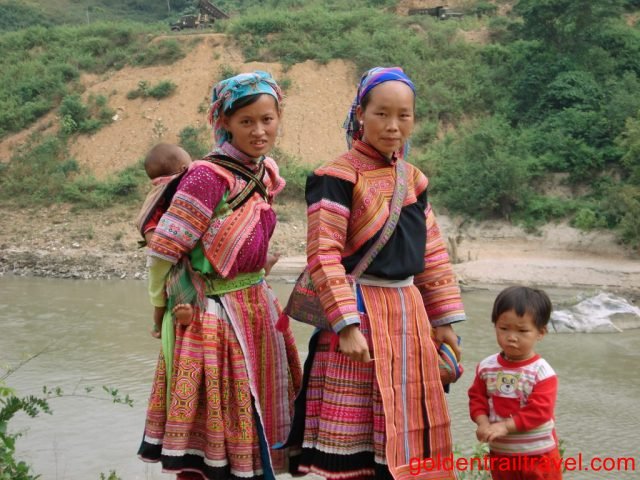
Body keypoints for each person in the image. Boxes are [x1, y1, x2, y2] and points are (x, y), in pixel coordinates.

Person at [285, 67, 466, 480]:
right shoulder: (335, 177)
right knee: (356, 444)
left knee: (407, 432)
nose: (393, 125)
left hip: (409, 317)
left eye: (404, 115)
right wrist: (346, 326)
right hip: (360, 316)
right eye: (381, 114)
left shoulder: (414, 179)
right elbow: (324, 255)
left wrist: (444, 322)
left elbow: (432, 253)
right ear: (360, 114)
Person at [137, 71, 303, 480]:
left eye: (267, 119)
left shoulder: (265, 172)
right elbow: (164, 250)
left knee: (261, 416)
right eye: (246, 121)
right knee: (223, 423)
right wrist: (159, 305)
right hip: (214, 316)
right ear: (224, 121)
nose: (259, 131)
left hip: (258, 307)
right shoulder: (206, 176)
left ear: (279, 117)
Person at [468, 286, 562, 480]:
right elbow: (477, 398)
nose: (511, 337)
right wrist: (482, 422)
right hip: (502, 456)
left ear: (541, 332)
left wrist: (505, 427)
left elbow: (540, 410)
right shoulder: (486, 367)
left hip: (538, 456)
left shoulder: (542, 372)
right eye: (504, 328)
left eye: (522, 330)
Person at [135, 143, 194, 336]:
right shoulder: (161, 194)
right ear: (182, 168)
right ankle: (158, 325)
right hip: (161, 252)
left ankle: (185, 312)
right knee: (158, 291)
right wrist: (158, 245)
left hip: (179, 246)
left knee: (178, 281)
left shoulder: (182, 188)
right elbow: (149, 225)